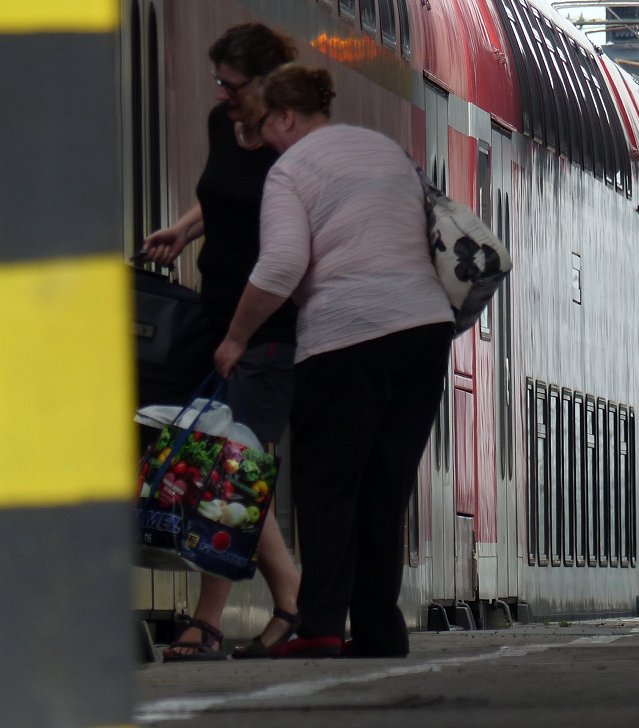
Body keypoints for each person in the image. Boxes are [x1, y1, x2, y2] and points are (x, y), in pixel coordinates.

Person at [214, 64, 454, 658]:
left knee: (328, 487)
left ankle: (320, 624)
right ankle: (378, 628)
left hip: (346, 337)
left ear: (287, 117)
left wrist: (236, 337)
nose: (263, 135)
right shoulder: (386, 150)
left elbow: (281, 266)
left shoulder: (291, 169)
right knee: (384, 484)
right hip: (423, 331)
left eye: (267, 122)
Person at [142, 23, 302, 661]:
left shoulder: (292, 146)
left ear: (267, 84)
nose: (223, 94)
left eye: (232, 85)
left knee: (228, 468)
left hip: (270, 327)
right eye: (220, 83)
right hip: (219, 317)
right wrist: (182, 230)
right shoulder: (221, 124)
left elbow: (287, 234)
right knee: (227, 462)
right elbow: (223, 198)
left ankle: (209, 620)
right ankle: (289, 593)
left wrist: (242, 332)